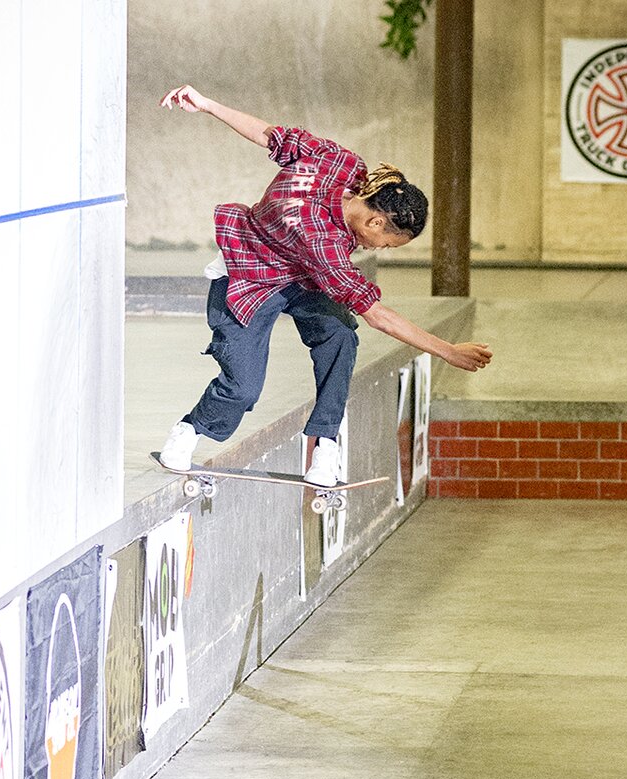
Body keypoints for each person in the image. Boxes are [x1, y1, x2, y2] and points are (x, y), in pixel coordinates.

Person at [157, 85, 492, 487]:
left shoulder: (342, 164)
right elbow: (379, 317)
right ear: (375, 222)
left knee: (339, 336)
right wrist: (447, 350)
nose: (376, 249)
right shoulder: (324, 243)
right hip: (248, 275)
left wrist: (208, 104)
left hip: (302, 278)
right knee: (243, 387)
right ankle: (192, 428)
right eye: (383, 243)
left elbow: (269, 134)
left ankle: (325, 443)